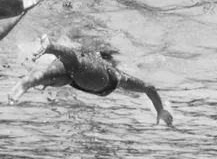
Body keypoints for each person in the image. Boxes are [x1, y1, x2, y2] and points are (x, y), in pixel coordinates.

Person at [9, 35, 174, 126]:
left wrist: (160, 110)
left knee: (48, 75)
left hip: (73, 77)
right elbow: (148, 88)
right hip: (101, 82)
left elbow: (149, 88)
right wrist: (160, 110)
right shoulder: (117, 75)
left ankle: (26, 83)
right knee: (75, 66)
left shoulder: (90, 56)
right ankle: (51, 47)